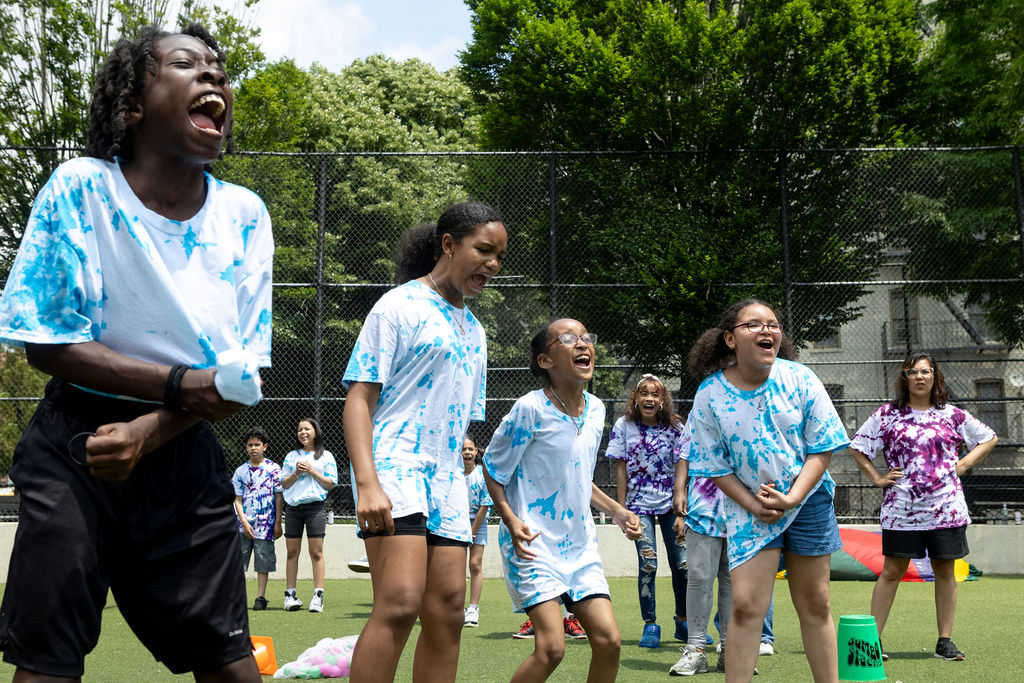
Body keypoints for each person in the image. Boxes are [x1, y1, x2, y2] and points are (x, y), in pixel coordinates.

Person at [0, 24, 271, 681]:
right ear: (132, 105)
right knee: (47, 662)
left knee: (231, 664)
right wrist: (179, 383)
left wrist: (151, 430)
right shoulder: (80, 189)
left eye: (219, 69)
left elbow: (242, 375)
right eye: (186, 64)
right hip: (74, 447)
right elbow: (46, 341)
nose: (213, 77)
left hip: (182, 455)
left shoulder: (244, 215)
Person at [342, 202, 507, 682]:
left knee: (450, 608)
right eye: (483, 250)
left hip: (446, 476)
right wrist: (367, 483)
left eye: (499, 256)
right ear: (449, 244)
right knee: (398, 603)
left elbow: (459, 421)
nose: (493, 264)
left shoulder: (475, 331)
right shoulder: (397, 306)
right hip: (392, 467)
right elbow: (359, 398)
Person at [686, 298, 849, 682]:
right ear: (730, 338)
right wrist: (753, 506)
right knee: (745, 607)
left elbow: (822, 446)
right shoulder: (710, 394)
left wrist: (793, 496)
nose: (767, 331)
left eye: (773, 325)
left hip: (807, 500)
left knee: (816, 603)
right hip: (748, 506)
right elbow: (713, 465)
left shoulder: (801, 378)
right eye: (754, 325)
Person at [483, 318, 642, 683]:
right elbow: (492, 470)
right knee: (552, 648)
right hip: (533, 543)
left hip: (580, 546)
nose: (583, 344)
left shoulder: (598, 409)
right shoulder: (530, 409)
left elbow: (579, 477)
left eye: (588, 337)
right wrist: (509, 519)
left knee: (609, 641)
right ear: (545, 360)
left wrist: (617, 511)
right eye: (569, 339)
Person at [849, 353, 997, 662]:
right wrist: (877, 478)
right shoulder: (887, 415)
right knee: (892, 570)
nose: (919, 377)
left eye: (925, 372)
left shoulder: (952, 415)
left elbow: (988, 438)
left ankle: (945, 642)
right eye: (913, 372)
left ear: (934, 378)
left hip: (947, 510)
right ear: (904, 378)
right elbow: (858, 447)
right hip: (901, 511)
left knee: (945, 570)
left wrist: (965, 463)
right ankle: (870, 644)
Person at [605, 373, 692, 649]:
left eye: (656, 394)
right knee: (649, 564)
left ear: (663, 400)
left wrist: (682, 506)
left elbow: (684, 463)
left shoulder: (676, 427)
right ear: (636, 399)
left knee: (683, 564)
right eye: (644, 393)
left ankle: (683, 620)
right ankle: (650, 624)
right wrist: (621, 510)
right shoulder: (624, 425)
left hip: (670, 504)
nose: (649, 399)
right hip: (638, 506)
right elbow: (620, 466)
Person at [669, 429, 733, 676]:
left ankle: (730, 650)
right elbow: (685, 450)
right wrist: (679, 489)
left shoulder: (756, 396)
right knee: (699, 576)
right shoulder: (705, 398)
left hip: (744, 503)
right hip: (705, 500)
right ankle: (696, 650)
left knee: (732, 579)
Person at [281, 417, 338, 612]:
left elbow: (331, 483)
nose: (303, 432)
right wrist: (296, 473)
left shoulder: (326, 456)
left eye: (307, 429)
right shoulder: (291, 456)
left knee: (316, 552)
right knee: (291, 552)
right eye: (300, 430)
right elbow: (283, 484)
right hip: (293, 509)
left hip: (315, 508)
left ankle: (318, 596)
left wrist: (312, 471)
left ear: (315, 432)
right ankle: (290, 596)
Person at [231, 427, 284, 611]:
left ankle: (260, 597)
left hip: (266, 524)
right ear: (246, 447)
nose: (253, 448)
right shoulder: (240, 471)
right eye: (250, 445)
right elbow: (237, 499)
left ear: (265, 446)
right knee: (238, 562)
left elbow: (279, 496)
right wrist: (244, 522)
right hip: (243, 525)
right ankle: (237, 598)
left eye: (257, 445)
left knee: (263, 561)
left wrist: (277, 523)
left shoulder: (274, 469)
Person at [462, 435, 492, 627]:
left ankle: (473, 608)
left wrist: (472, 532)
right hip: (456, 522)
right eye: (463, 449)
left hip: (477, 524)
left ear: (476, 452)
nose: (467, 452)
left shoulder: (482, 473)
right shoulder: (454, 473)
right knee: (454, 568)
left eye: (470, 449)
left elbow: (484, 506)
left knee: (475, 565)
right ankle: (454, 608)